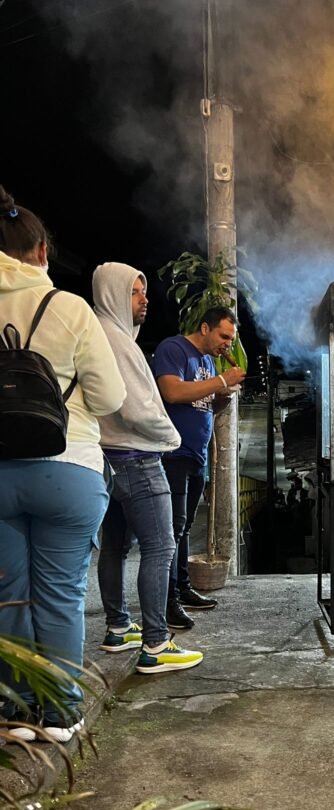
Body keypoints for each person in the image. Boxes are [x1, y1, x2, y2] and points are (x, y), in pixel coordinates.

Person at [0, 185, 126, 740]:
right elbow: (111, 398)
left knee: (8, 593)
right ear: (41, 251)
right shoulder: (69, 308)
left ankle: (15, 711)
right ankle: (59, 712)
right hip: (69, 466)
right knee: (60, 594)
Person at [93, 263, 203, 674]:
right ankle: (156, 644)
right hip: (137, 458)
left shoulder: (100, 334)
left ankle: (118, 627)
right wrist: (171, 438)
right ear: (112, 294)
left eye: (143, 291)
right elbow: (137, 409)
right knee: (160, 546)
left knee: (115, 547)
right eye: (134, 292)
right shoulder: (116, 341)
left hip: (108, 459)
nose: (145, 300)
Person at [153, 308, 246, 628]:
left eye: (231, 339)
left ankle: (182, 588)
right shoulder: (174, 349)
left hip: (196, 456)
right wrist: (220, 381)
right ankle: (167, 603)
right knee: (171, 530)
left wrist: (224, 396)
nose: (227, 344)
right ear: (205, 327)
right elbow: (173, 392)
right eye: (223, 336)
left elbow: (204, 404)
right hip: (173, 454)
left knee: (185, 526)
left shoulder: (208, 361)